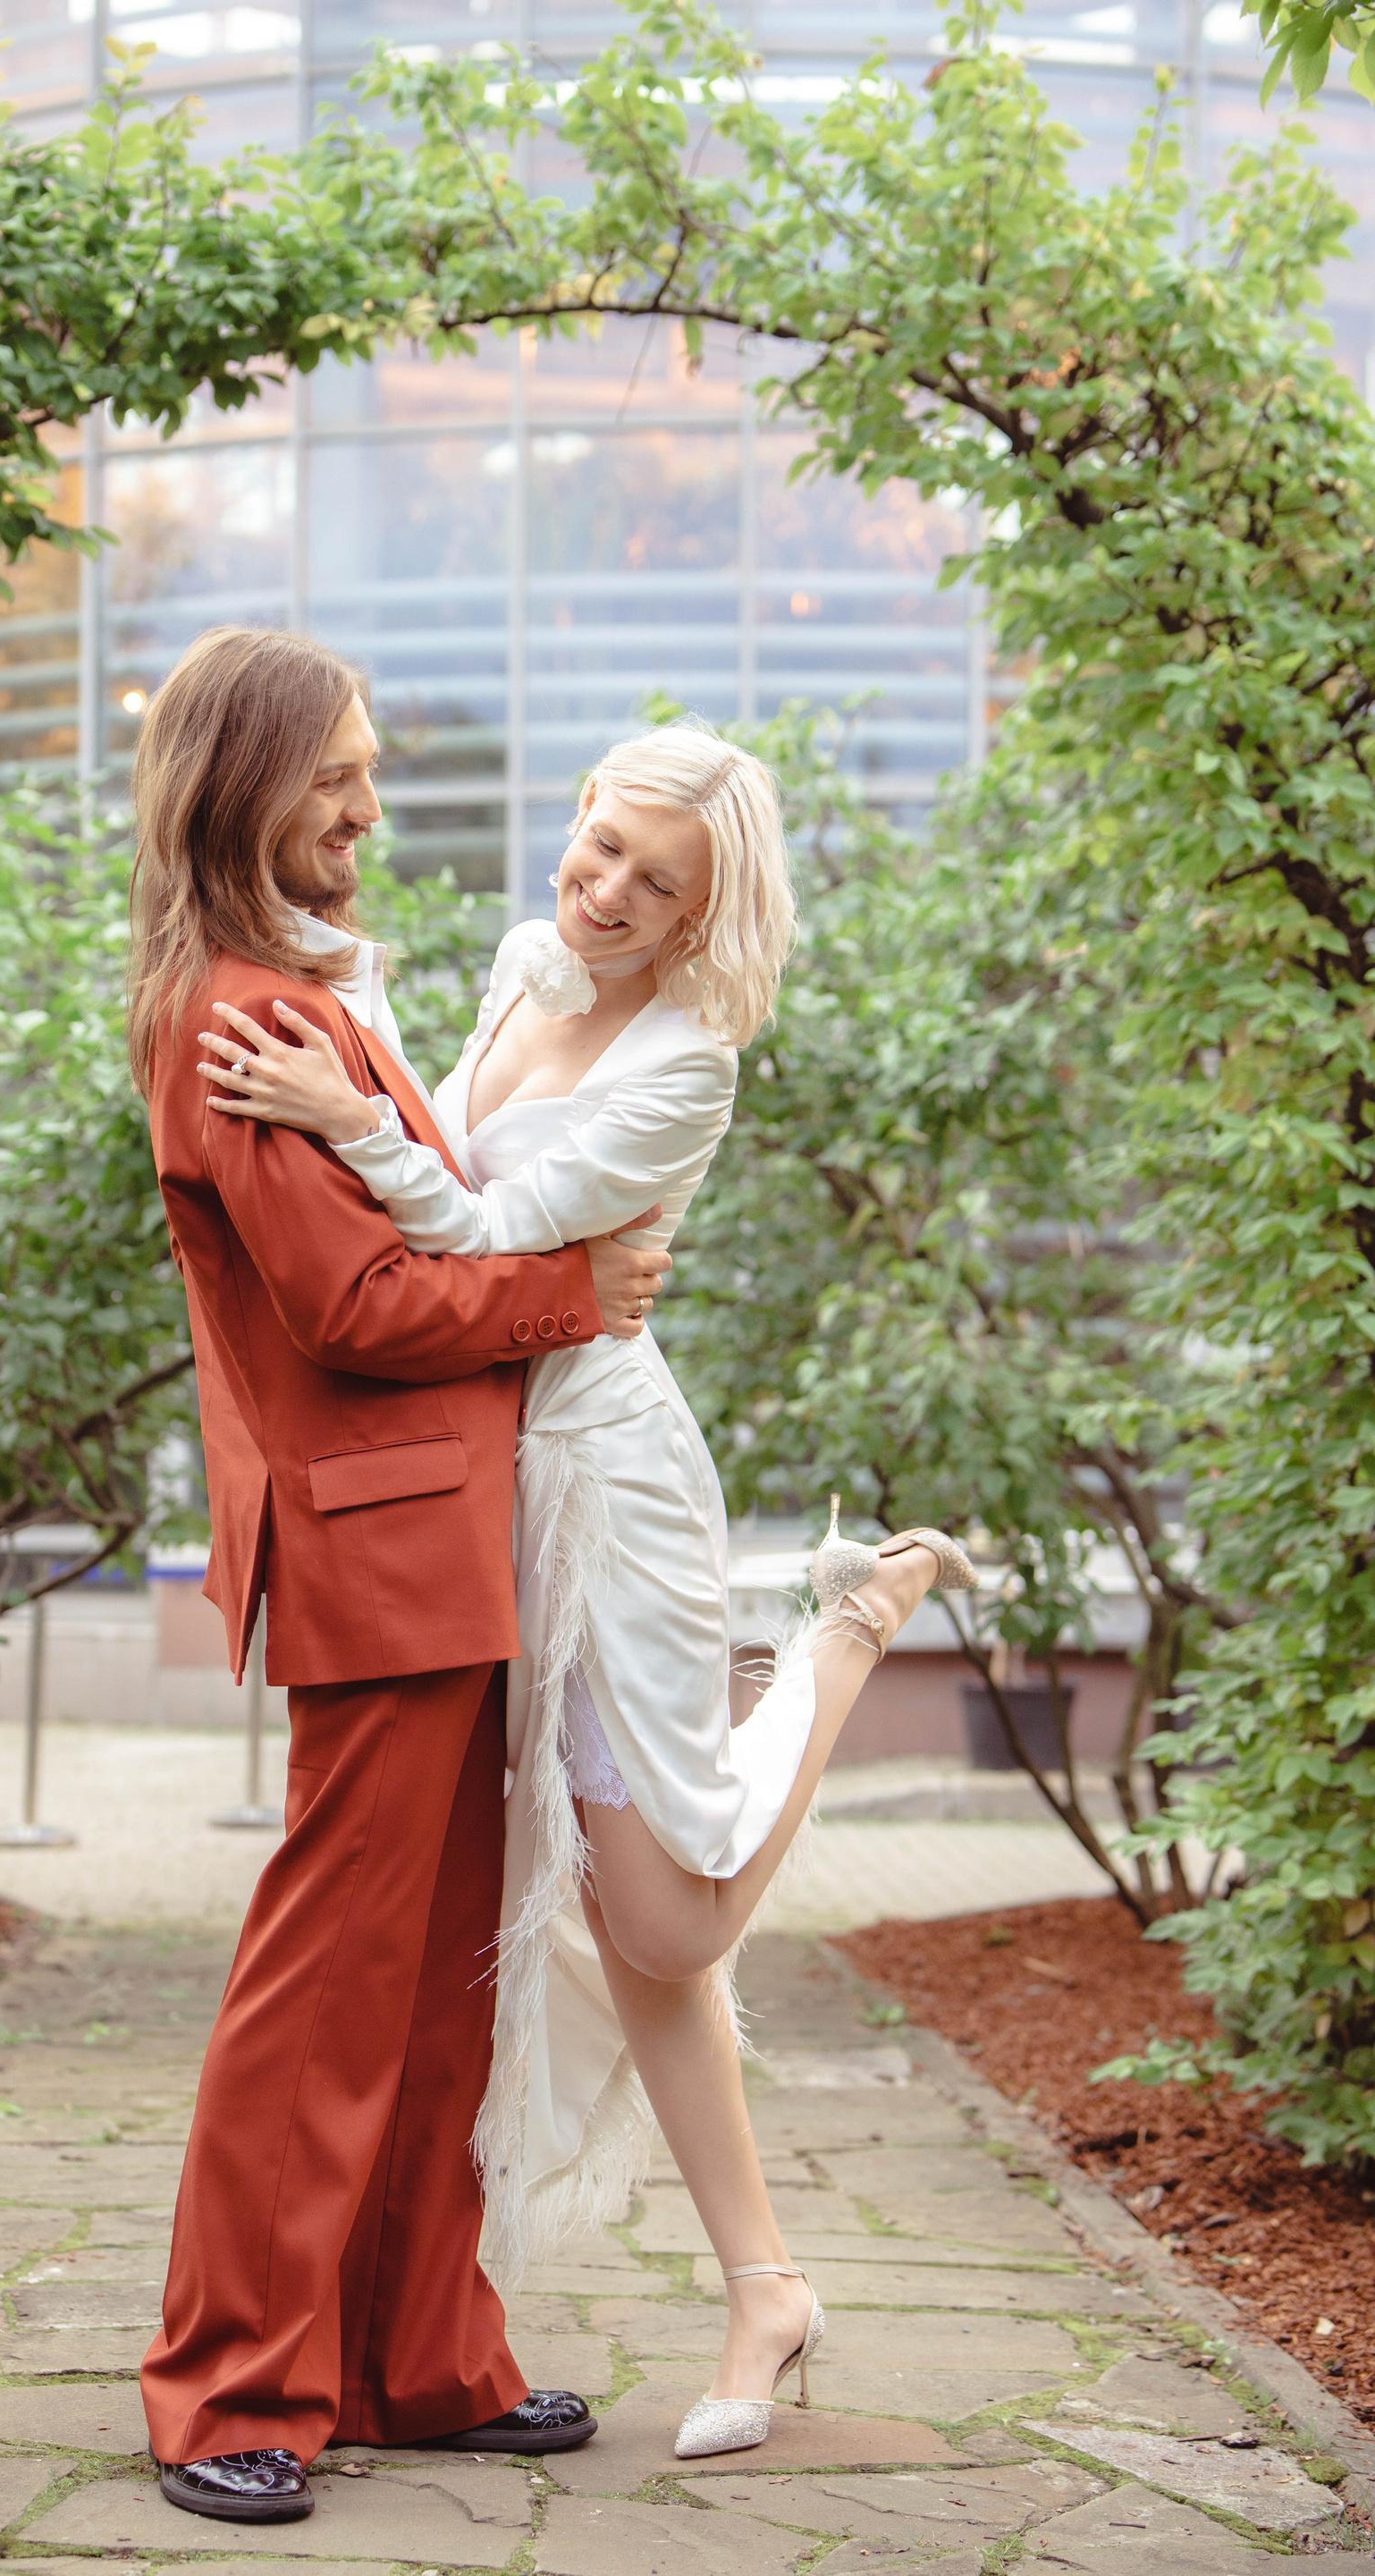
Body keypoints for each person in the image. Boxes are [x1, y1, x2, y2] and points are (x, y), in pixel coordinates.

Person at [198, 720, 978, 2462]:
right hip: (482, 1484)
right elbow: (449, 1162)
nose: (607, 889)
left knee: (670, 1923)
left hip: (608, 1492)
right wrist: (356, 1056)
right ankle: (764, 2285)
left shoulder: (691, 1065)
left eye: (657, 880)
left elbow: (483, 1226)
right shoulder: (517, 964)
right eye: (602, 843)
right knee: (616, 1919)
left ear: (707, 913)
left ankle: (842, 1639)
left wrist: (345, 1114)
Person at [131, 628, 672, 2525]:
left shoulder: (305, 994)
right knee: (327, 1987)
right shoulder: (233, 1016)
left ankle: (416, 2359)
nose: (371, 801)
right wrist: (569, 1292)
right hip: (376, 1545)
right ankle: (229, 2386)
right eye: (338, 770)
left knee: (445, 1986)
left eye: (369, 766)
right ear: (244, 783)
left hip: (451, 1536)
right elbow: (354, 1302)